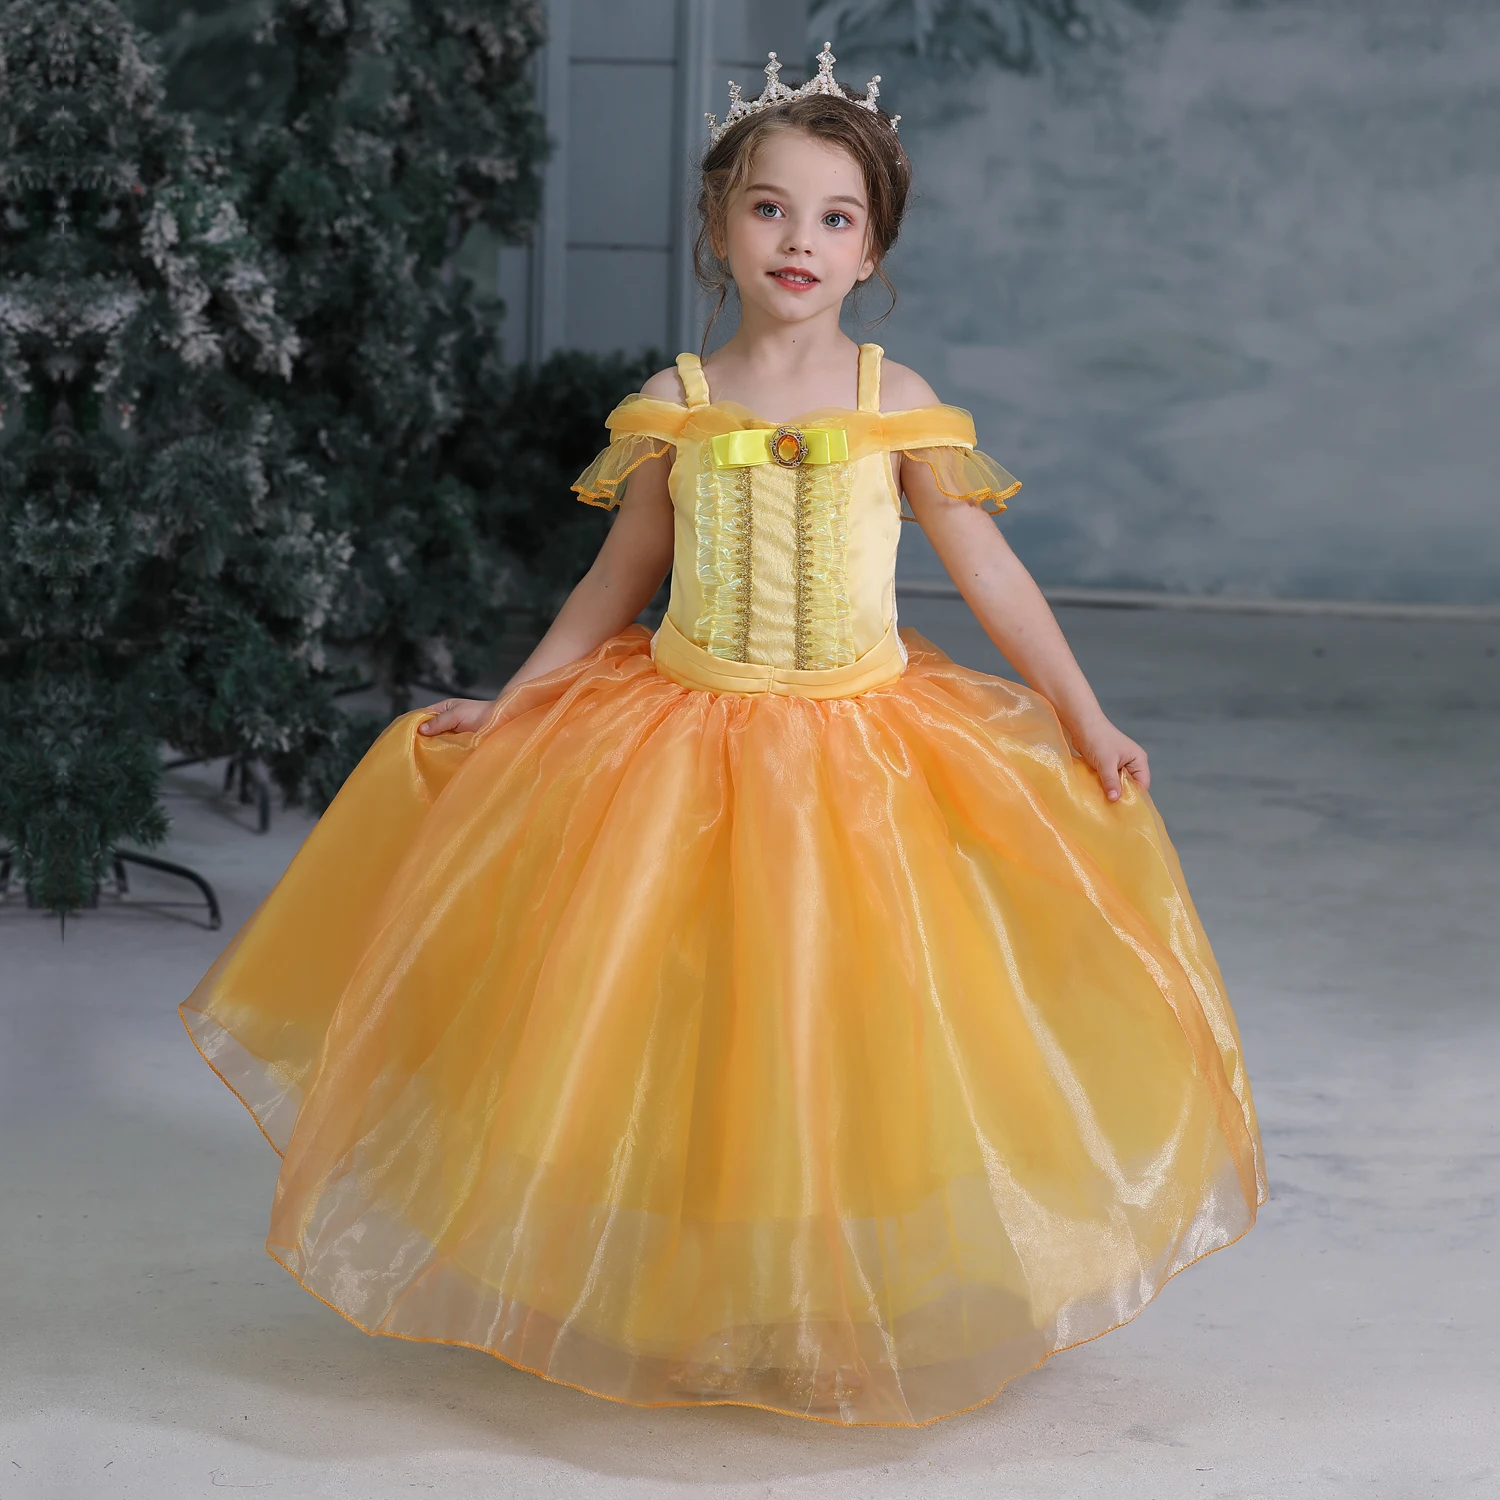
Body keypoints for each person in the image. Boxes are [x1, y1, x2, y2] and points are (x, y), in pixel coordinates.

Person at [181, 46, 1265, 1427]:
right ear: (717, 225)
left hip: (864, 763)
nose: (798, 239)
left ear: (871, 251)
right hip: (683, 759)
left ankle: (830, 1307)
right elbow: (617, 578)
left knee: (846, 1040)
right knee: (698, 1037)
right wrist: (517, 702)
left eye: (834, 217)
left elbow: (990, 573)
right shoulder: (681, 398)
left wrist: (1083, 713)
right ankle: (698, 1303)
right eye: (769, 208)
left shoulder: (892, 399)